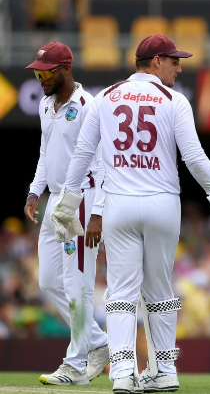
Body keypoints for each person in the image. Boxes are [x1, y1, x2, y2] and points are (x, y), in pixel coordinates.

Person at [51, 34, 210, 394]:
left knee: (121, 292)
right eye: (174, 60)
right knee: (161, 291)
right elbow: (194, 157)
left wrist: (67, 201)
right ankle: (165, 371)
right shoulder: (175, 100)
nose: (179, 66)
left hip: (119, 203)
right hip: (162, 204)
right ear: (155, 61)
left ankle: (124, 371)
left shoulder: (106, 97)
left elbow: (82, 153)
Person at [24, 42, 109, 386]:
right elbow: (46, 154)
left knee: (78, 286)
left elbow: (103, 164)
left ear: (66, 69)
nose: (40, 77)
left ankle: (75, 366)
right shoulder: (46, 105)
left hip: (82, 201)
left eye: (46, 71)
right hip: (54, 203)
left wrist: (98, 213)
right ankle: (99, 342)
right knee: (48, 282)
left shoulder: (89, 107)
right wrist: (34, 191)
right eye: (38, 72)